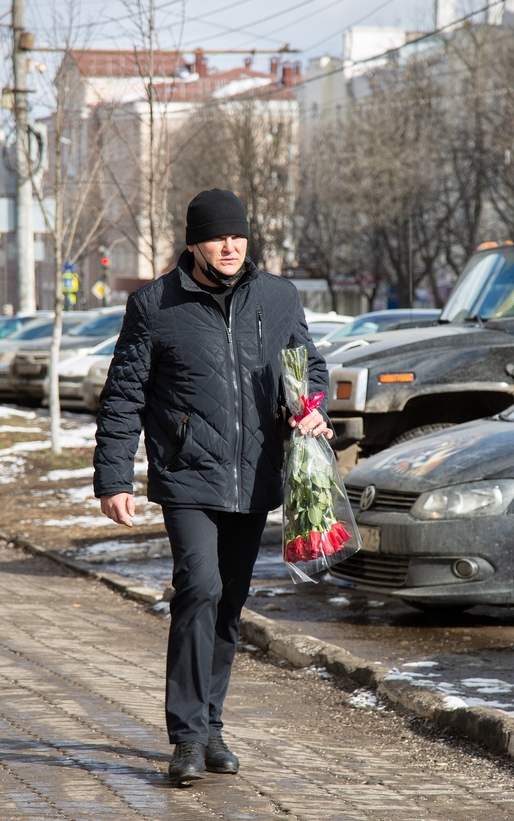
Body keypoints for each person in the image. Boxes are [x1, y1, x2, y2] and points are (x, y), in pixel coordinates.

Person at [93, 188, 331, 785]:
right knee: (198, 587)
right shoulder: (155, 304)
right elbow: (124, 394)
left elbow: (307, 366)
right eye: (218, 237)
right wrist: (114, 477)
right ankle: (187, 737)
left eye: (238, 236)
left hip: (254, 474)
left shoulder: (277, 297)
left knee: (230, 599)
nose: (230, 246)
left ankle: (213, 725)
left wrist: (308, 406)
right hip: (186, 473)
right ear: (194, 243)